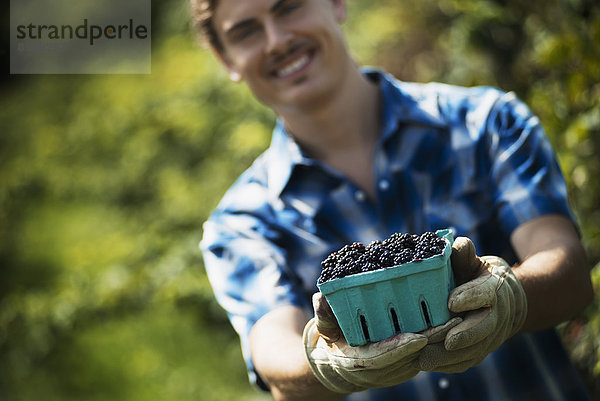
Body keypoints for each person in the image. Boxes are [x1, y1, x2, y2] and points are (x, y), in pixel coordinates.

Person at [193, 0, 595, 400]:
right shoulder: (243, 223)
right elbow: (274, 356)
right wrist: (327, 362)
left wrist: (511, 297)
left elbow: (569, 271)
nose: (277, 41)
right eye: (246, 31)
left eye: (289, 8)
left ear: (335, 3)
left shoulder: (487, 124)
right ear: (224, 58)